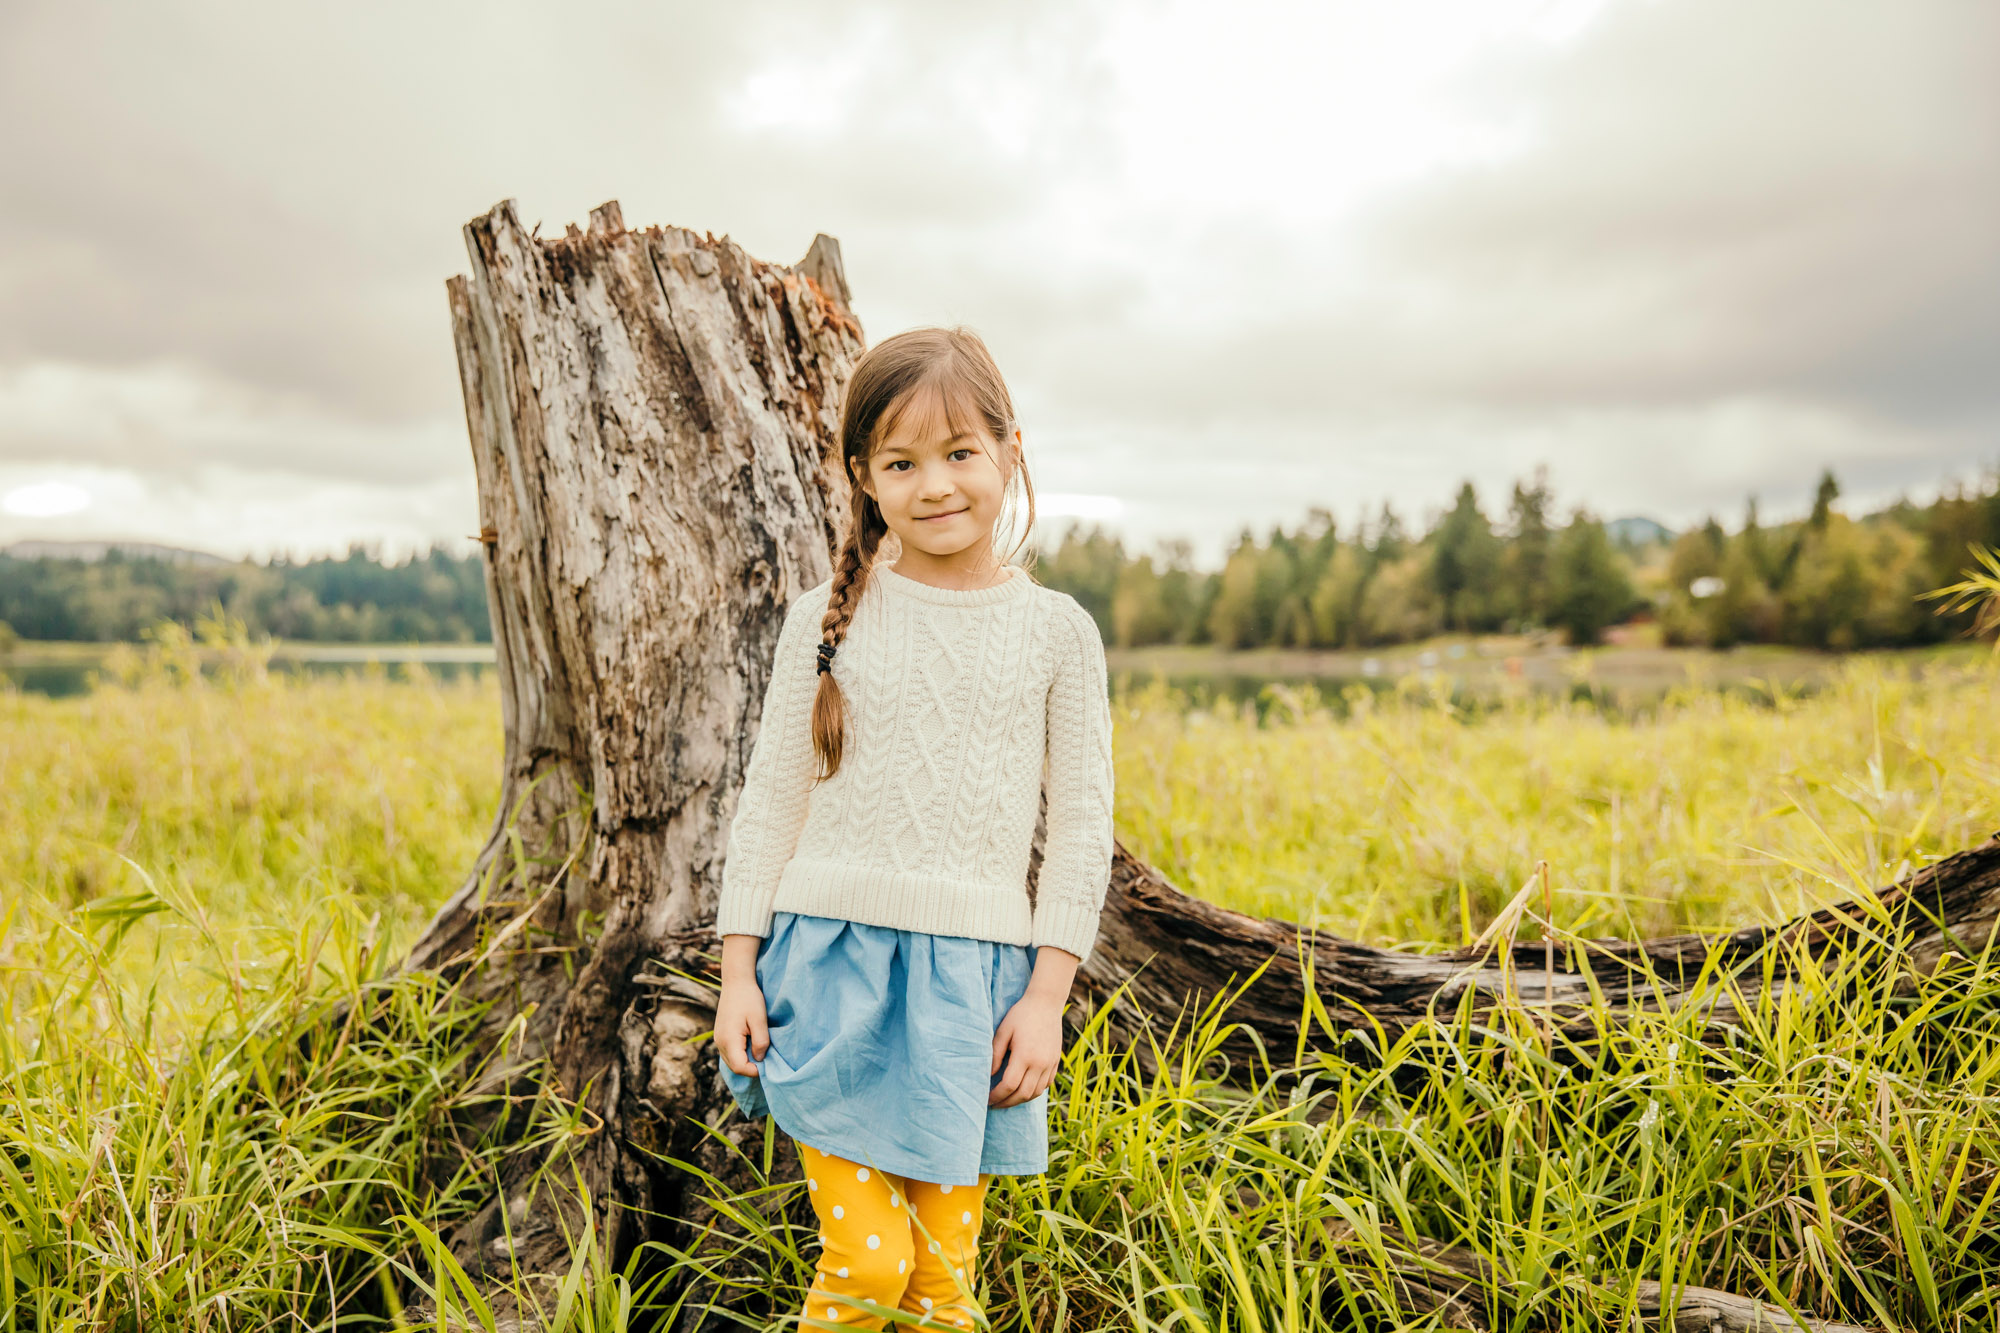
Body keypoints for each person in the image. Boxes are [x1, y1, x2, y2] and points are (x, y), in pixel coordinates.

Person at [711, 325, 1115, 1329]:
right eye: (901, 462)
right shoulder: (824, 618)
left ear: (1008, 452)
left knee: (940, 1287)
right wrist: (734, 971)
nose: (935, 484)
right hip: (827, 971)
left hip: (970, 997)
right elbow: (771, 798)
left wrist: (1046, 997)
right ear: (864, 476)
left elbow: (1079, 827)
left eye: (959, 453)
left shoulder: (1056, 630)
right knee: (865, 1262)